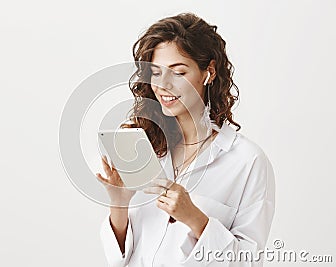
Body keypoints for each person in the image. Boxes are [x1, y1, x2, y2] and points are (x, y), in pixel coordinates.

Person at [95, 12, 275, 267]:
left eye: (178, 72)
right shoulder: (149, 146)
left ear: (208, 72)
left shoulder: (247, 161)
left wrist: (195, 219)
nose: (164, 85)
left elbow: (249, 260)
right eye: (156, 73)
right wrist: (119, 202)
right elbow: (119, 259)